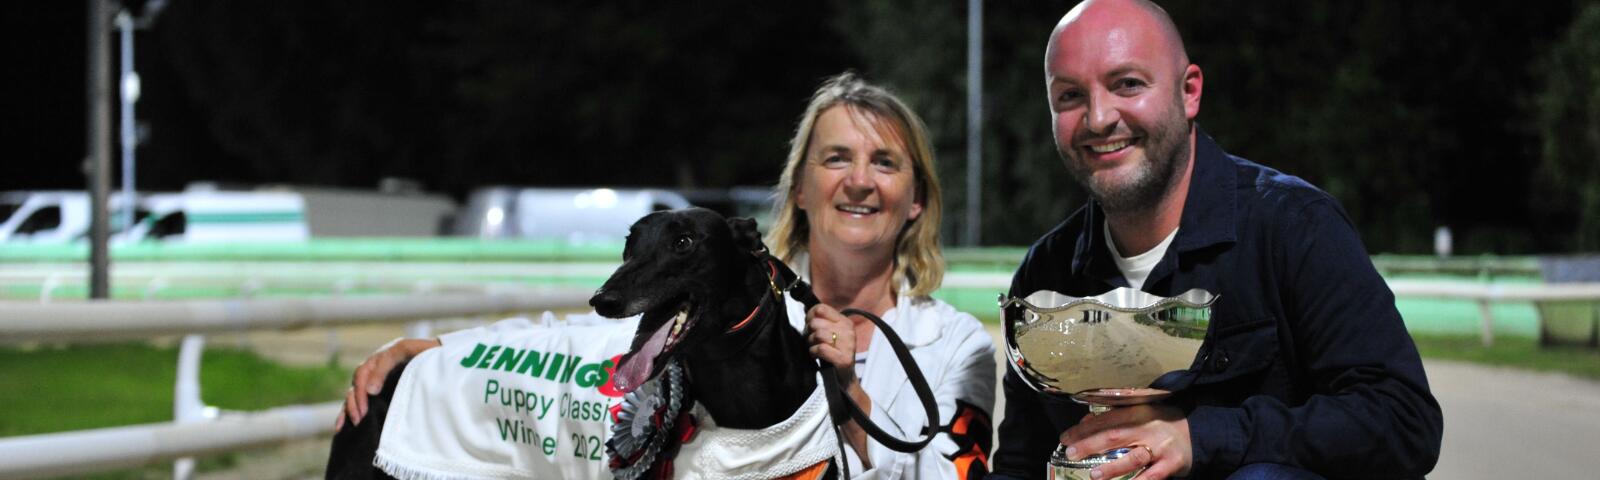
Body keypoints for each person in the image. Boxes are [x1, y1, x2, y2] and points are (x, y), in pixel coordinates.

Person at [338, 72, 998, 479]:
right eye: (836, 158)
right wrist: (443, 354)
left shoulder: (954, 345)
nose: (858, 180)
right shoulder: (729, 311)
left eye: (884, 162)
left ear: (917, 198)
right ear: (799, 187)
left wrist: (850, 390)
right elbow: (588, 340)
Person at [986, 1, 1444, 479]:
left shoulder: (1293, 227)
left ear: (1189, 93)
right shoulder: (1046, 274)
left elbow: (1404, 421)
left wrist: (1199, 437)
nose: (1099, 118)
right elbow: (1022, 463)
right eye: (1070, 96)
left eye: (1128, 84)